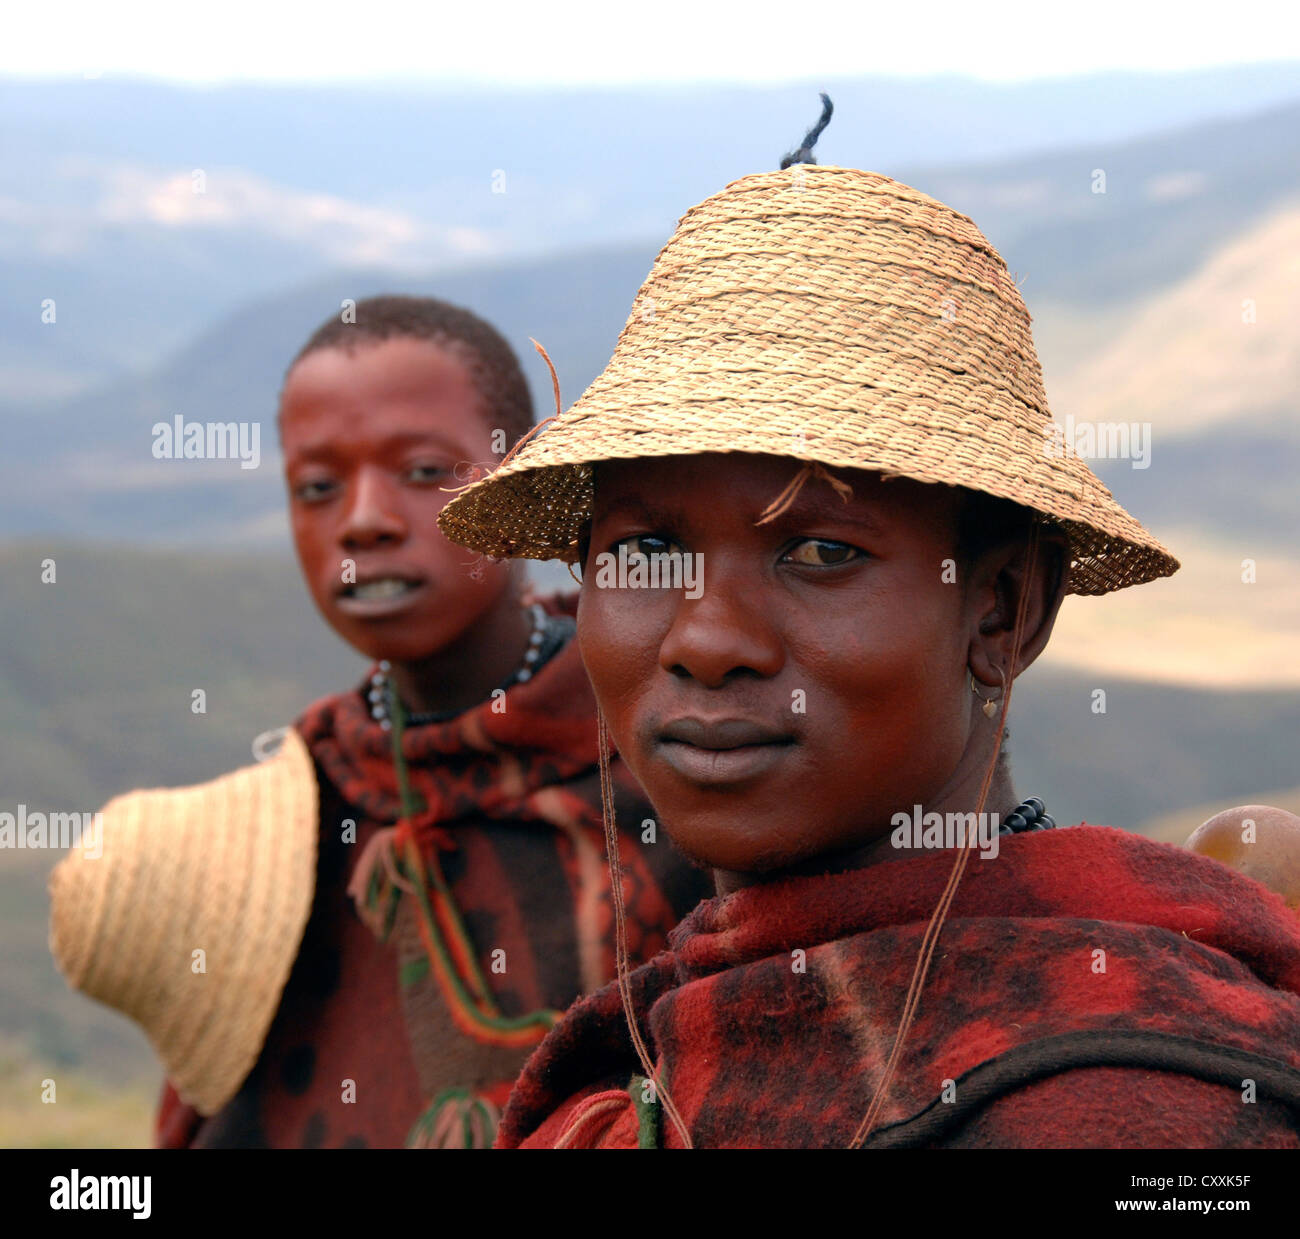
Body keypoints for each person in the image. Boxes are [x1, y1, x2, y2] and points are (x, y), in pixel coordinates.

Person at [437, 110, 1300, 1148]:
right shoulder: (693, 1029)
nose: (706, 640)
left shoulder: (1118, 1115)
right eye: (645, 552)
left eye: (821, 553)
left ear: (1002, 609)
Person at [49, 295, 710, 1148]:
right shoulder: (283, 834)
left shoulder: (681, 755)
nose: (362, 518)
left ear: (521, 468)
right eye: (317, 486)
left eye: (424, 469)